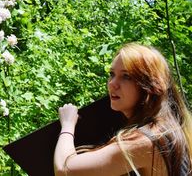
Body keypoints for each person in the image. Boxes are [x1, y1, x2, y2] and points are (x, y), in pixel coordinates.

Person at [54, 43, 192, 176]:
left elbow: (65, 170)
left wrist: (67, 125)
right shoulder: (169, 128)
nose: (112, 84)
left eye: (126, 76)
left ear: (149, 85)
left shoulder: (145, 141)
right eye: (112, 74)